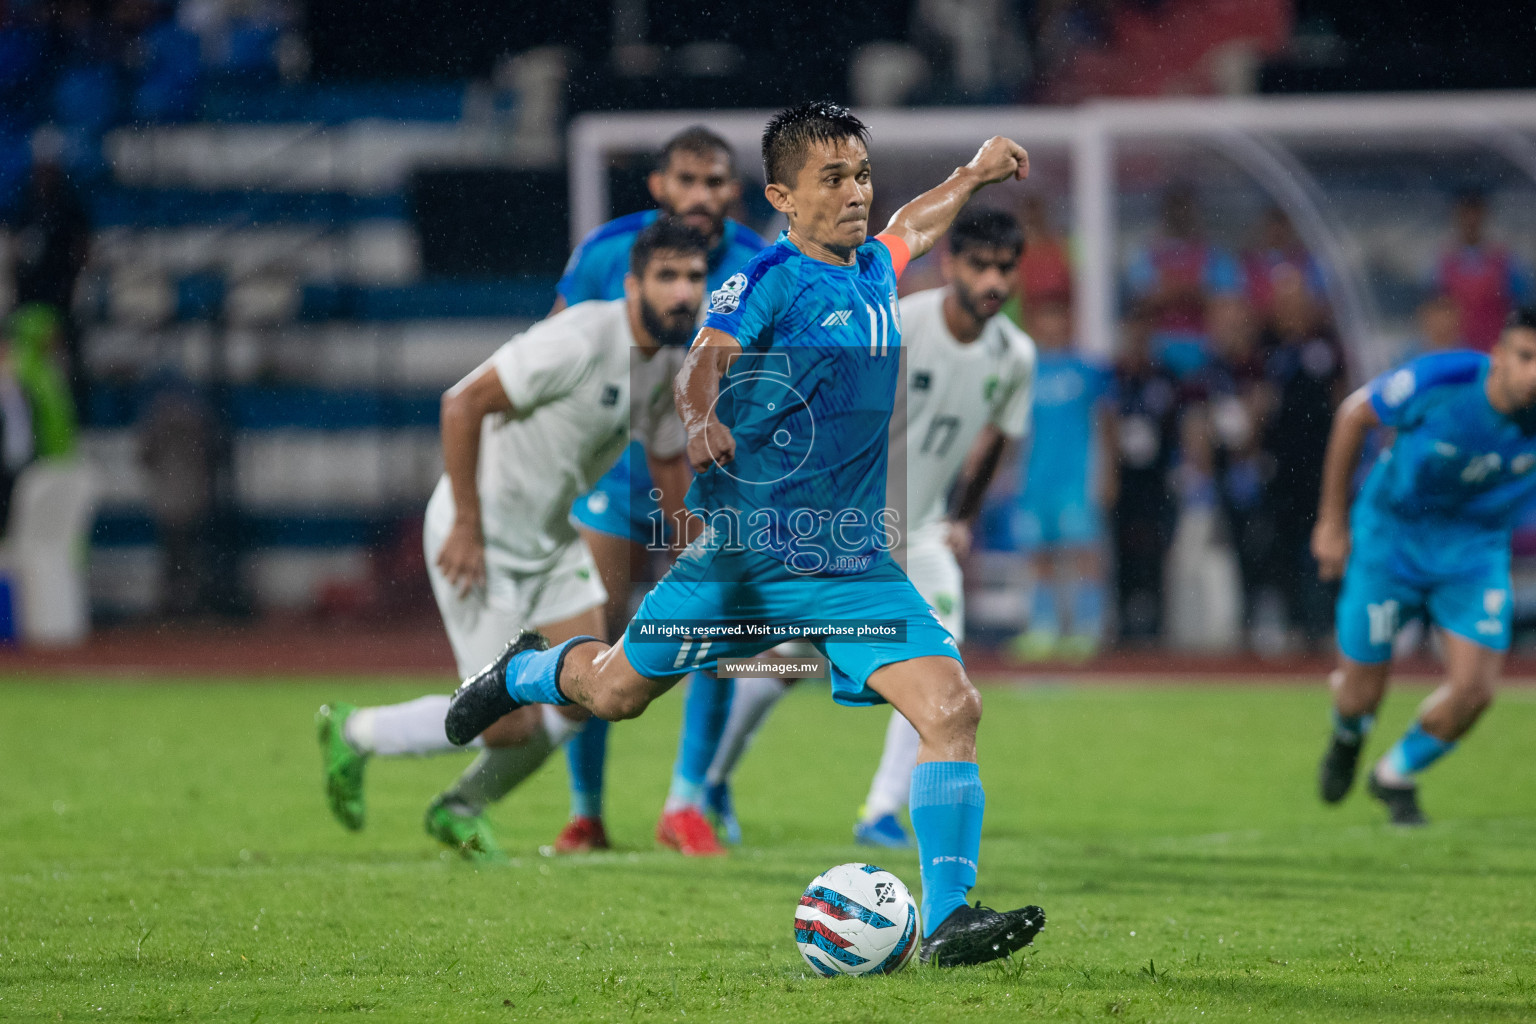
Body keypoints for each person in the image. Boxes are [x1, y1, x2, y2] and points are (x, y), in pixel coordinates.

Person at [444, 101, 1045, 968]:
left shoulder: (877, 266)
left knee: (953, 708)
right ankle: (522, 670)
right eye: (831, 179)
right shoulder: (764, 279)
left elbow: (917, 219)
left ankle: (948, 919)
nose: (855, 194)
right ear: (782, 196)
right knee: (613, 691)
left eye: (862, 175)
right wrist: (696, 422)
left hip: (850, 567)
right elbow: (705, 357)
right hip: (744, 561)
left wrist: (977, 173)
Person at [315, 221, 707, 859]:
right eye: (667, 276)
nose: (682, 292)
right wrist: (467, 525)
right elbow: (461, 403)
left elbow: (667, 464)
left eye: (694, 277)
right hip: (483, 542)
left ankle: (460, 808)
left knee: (592, 690)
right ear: (633, 284)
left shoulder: (669, 361)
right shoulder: (580, 338)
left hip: (551, 542)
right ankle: (355, 733)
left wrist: (696, 555)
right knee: (506, 725)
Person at [691, 207, 1036, 850]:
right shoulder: (902, 324)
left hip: (922, 534)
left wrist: (961, 516)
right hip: (842, 526)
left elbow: (995, 439)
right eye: (980, 264)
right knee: (780, 664)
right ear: (951, 262)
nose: (993, 280)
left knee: (941, 659)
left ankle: (881, 809)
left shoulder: (1015, 355)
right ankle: (707, 782)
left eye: (1005, 268)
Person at [552, 126, 767, 857]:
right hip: (612, 471)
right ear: (658, 185)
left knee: (716, 635)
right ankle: (587, 812)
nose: (701, 196)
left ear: (733, 190)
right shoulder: (610, 251)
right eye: (688, 181)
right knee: (594, 630)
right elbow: (554, 347)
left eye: (715, 183)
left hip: (711, 478)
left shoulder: (758, 264)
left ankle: (687, 803)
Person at [1313, 308, 1536, 825]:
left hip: (1472, 553)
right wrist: (1332, 522)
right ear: (1499, 356)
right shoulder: (1444, 378)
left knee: (1475, 692)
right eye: (1526, 357)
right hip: (1390, 542)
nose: (1534, 374)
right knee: (1361, 694)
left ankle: (1393, 774)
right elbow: (1353, 415)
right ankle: (1347, 737)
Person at [1008, 297, 1113, 661]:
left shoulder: (1088, 370)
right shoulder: (1024, 371)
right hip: (1035, 479)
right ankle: (1043, 629)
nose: (1052, 326)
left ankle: (1087, 628)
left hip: (1076, 480)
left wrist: (1107, 473)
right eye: (1045, 318)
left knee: (1084, 553)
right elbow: (1012, 430)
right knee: (1039, 556)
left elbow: (1106, 423)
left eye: (1058, 317)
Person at [1259, 265, 1348, 649]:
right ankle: (1293, 623)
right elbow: (1255, 399)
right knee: (1281, 542)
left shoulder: (1327, 344)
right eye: (1284, 301)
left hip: (1321, 461)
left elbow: (1343, 399)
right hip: (1279, 463)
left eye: (1297, 300)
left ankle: (1325, 622)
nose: (1291, 309)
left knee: (1326, 538)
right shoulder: (1265, 345)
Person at [1124, 184, 1243, 378]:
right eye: (1175, 208)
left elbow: (1225, 301)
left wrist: (1174, 290)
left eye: (1185, 207)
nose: (1180, 214)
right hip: (1158, 349)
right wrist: (1192, 291)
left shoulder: (1213, 254)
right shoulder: (1148, 254)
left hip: (1206, 347)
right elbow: (1142, 300)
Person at [1434, 189, 1532, 353]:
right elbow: (1434, 314)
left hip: (1496, 349)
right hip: (1456, 351)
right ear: (1457, 217)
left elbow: (1521, 307)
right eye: (1466, 215)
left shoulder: (1504, 261)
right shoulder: (1443, 264)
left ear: (1484, 216)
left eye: (1475, 215)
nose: (1471, 221)